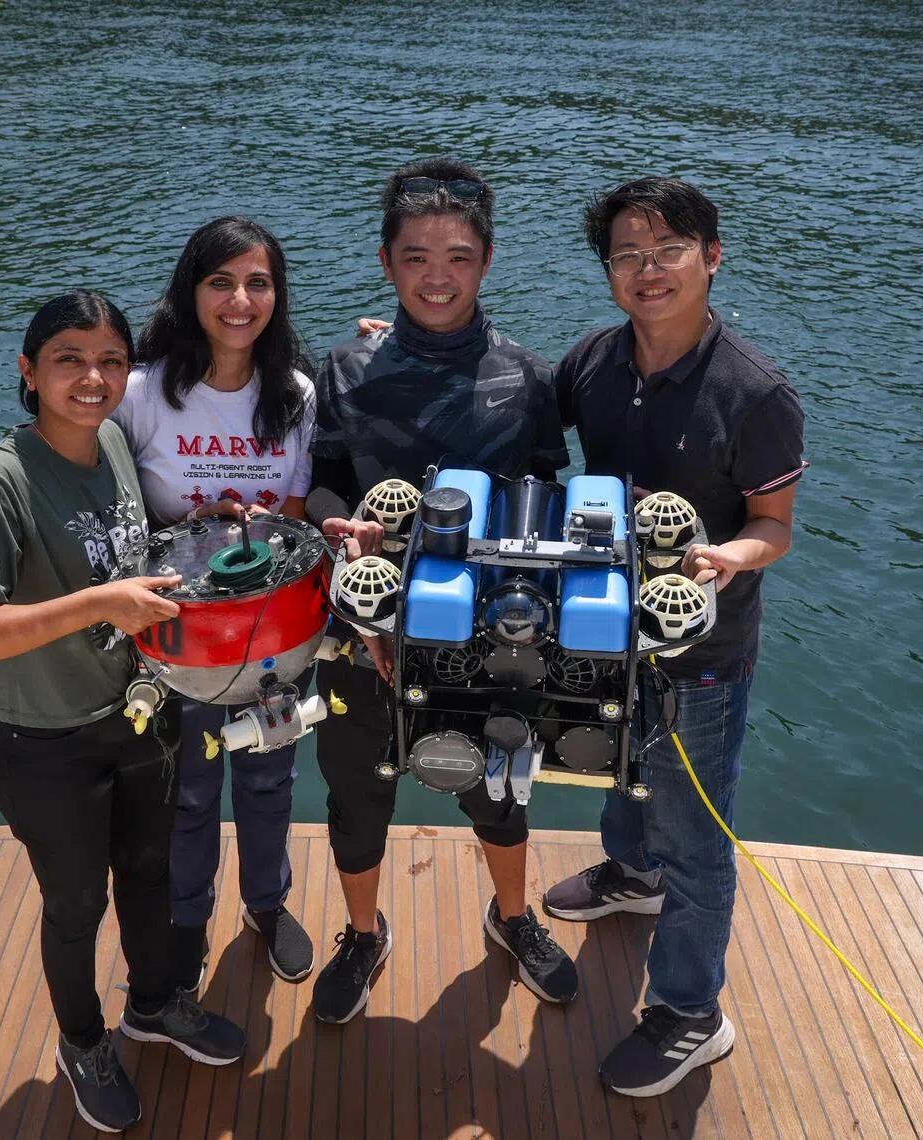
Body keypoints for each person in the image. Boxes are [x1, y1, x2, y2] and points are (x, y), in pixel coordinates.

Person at [0, 292, 245, 1134]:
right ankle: (83, 1042)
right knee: (75, 906)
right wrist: (100, 604)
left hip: (139, 714)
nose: (93, 378)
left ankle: (154, 1003)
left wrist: (198, 526)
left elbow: (125, 555)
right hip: (49, 741)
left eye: (111, 360)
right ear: (28, 371)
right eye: (68, 359)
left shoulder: (112, 440)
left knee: (148, 872)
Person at [544, 178, 807, 1097]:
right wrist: (418, 349)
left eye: (668, 251)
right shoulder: (594, 360)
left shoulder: (757, 392)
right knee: (623, 764)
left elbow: (774, 525)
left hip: (704, 653)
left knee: (697, 833)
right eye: (627, 254)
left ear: (712, 257)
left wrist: (731, 554)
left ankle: (692, 1012)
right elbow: (520, 413)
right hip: (608, 629)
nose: (647, 270)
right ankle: (631, 872)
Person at [307, 158, 579, 1025]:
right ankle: (362, 933)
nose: (437, 276)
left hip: (485, 637)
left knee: (498, 789)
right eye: (416, 256)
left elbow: (548, 492)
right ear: (385, 262)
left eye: (458, 257)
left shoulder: (526, 376)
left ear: (487, 262)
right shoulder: (345, 366)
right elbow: (320, 479)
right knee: (357, 795)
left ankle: (513, 918)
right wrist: (338, 528)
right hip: (363, 626)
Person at [112, 217, 317, 993]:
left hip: (271, 635)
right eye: (221, 282)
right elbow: (114, 507)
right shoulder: (143, 393)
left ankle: (267, 904)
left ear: (277, 295)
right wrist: (191, 525)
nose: (240, 300)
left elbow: (293, 516)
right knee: (190, 793)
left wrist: (259, 526)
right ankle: (188, 919)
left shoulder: (294, 394)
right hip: (177, 639)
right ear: (190, 291)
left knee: (269, 779)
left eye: (258, 283)